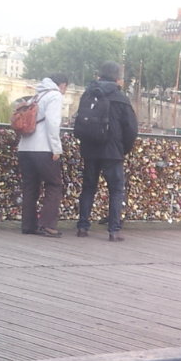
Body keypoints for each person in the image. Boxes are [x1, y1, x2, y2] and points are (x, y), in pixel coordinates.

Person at [75, 61, 138, 241]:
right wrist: (123, 149)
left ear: (100, 75)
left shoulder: (88, 94)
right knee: (116, 190)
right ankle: (114, 230)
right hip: (112, 151)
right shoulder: (120, 98)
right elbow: (131, 129)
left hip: (90, 148)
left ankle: (82, 226)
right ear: (117, 78)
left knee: (88, 188)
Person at [18, 73, 69, 238]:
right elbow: (53, 123)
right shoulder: (54, 96)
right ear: (62, 85)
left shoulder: (36, 96)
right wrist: (56, 148)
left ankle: (28, 225)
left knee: (30, 186)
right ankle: (47, 225)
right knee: (54, 185)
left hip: (25, 147)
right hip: (43, 148)